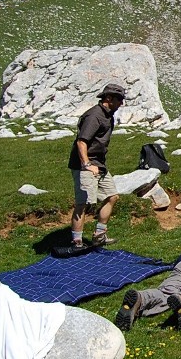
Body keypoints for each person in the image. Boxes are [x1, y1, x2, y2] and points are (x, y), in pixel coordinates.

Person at [68, 83, 126, 249]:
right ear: (108, 98)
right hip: (86, 165)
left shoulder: (108, 115)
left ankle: (99, 235)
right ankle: (77, 242)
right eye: (119, 99)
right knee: (84, 202)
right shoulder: (94, 116)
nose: (121, 103)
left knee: (112, 196)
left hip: (99, 164)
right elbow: (81, 141)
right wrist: (87, 164)